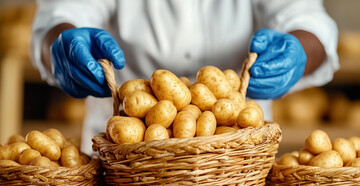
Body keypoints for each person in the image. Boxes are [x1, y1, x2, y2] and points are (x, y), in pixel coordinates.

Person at [30, 0, 339, 155]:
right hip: (126, 159)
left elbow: (308, 18)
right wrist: (61, 45)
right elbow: (59, 14)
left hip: (233, 164)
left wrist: (299, 50)